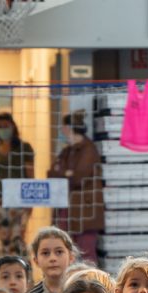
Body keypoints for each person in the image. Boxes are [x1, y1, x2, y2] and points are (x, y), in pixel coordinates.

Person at [47, 111, 104, 263]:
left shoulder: (88, 149)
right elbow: (52, 173)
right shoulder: (67, 151)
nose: (62, 132)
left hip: (85, 209)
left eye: (63, 129)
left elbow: (79, 177)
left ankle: (91, 282)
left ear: (70, 128)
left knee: (86, 252)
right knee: (67, 250)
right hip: (68, 209)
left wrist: (65, 173)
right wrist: (67, 173)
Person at [0, 112, 36, 257]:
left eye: (5, 126)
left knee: (17, 238)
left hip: (19, 199)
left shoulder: (24, 148)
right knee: (4, 240)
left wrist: (30, 201)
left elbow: (30, 174)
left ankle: (25, 272)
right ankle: (7, 270)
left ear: (13, 127)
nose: (3, 129)